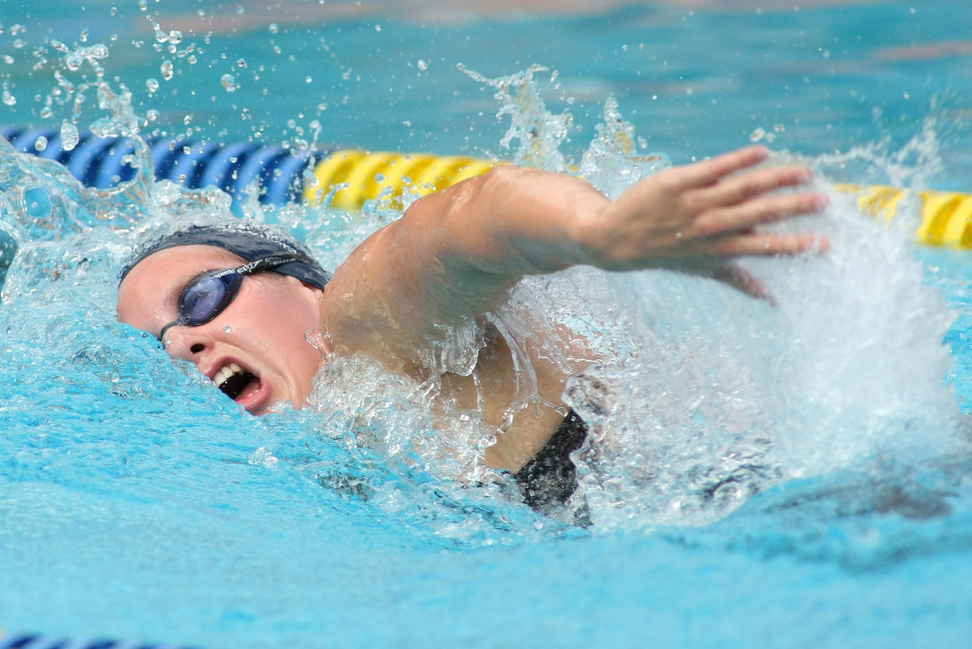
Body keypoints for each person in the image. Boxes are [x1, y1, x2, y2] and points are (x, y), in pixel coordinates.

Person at [116, 145, 828, 512]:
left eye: (203, 299)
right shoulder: (326, 453)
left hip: (813, 500)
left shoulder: (366, 332)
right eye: (160, 347)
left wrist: (601, 232)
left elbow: (469, 222)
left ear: (297, 283)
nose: (183, 342)